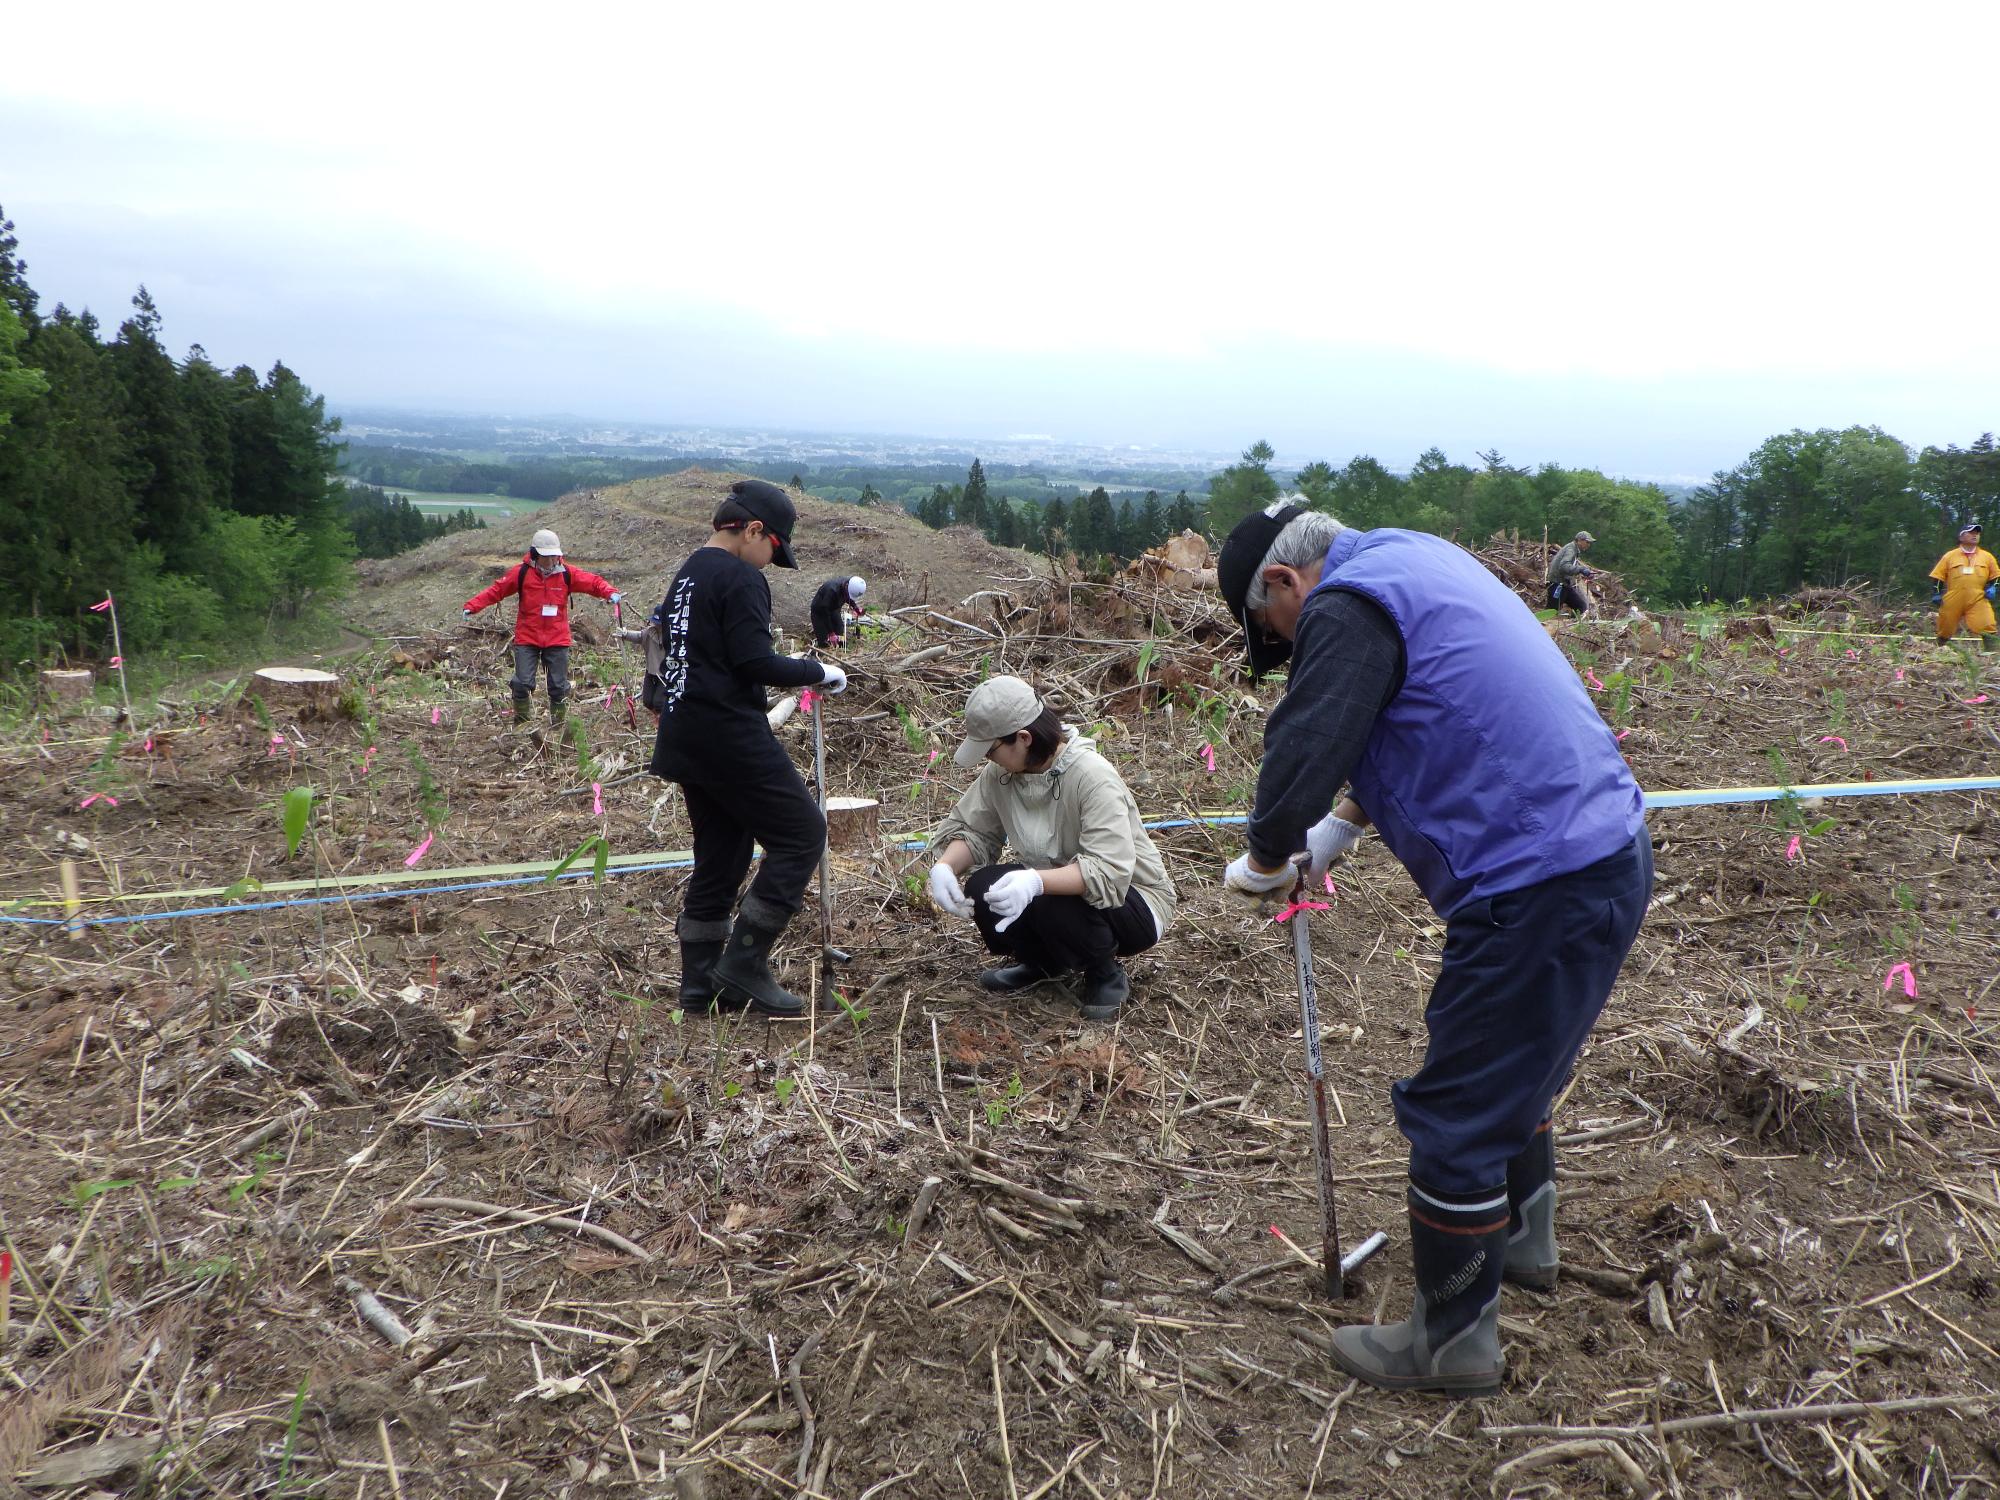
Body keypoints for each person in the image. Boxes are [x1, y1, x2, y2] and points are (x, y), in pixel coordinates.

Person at [1216, 500, 1652, 1396]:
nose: (1287, 648)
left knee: (1455, 1112)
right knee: (1512, 1071)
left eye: (1274, 632)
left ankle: (1451, 1342)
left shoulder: (1344, 607)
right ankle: (1525, 1243)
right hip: (1601, 852)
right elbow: (1440, 710)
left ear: (1285, 583)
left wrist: (1266, 855)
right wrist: (1342, 824)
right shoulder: (1413, 562)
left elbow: (1308, 736)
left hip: (1535, 883)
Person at [651, 480, 849, 1017]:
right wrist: (820, 671)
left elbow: (666, 647)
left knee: (724, 854)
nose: (768, 562)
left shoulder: (689, 571)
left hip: (685, 732)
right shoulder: (739, 576)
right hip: (728, 731)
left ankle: (699, 984)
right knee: (802, 832)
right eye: (772, 550)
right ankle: (743, 964)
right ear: (754, 530)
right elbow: (753, 661)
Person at [926, 676, 1175, 1021]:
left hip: (1133, 901)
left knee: (1044, 896)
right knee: (984, 888)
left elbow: (1108, 871)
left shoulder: (1090, 776)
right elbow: (975, 830)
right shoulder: (1001, 776)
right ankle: (1042, 963)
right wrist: (945, 867)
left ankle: (1104, 971)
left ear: (1023, 739)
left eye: (991, 750)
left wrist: (1035, 882)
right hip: (1060, 887)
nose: (988, 760)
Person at [463, 528, 622, 726]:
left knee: (558, 686)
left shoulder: (567, 574)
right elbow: (497, 590)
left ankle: (558, 725)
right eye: (547, 557)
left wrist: (609, 592)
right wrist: (472, 606)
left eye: (555, 556)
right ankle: (522, 724)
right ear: (535, 554)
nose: (551, 560)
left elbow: (593, 582)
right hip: (527, 637)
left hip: (557, 638)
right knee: (521, 683)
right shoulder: (521, 573)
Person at [1929, 522, 1998, 651]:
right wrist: (1936, 593)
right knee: (1946, 625)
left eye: (1977, 533)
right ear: (1961, 537)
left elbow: (1996, 576)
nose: (1975, 535)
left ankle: (1992, 655)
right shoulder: (1949, 556)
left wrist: (1993, 587)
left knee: (1987, 623)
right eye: (1971, 533)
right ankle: (1940, 649)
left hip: (1978, 597)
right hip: (1954, 596)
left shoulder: (1987, 557)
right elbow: (1938, 576)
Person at [1545, 530, 1596, 616]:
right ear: (1579, 540)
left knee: (1581, 608)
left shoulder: (1574, 549)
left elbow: (1569, 568)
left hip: (1565, 585)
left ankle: (1568, 626)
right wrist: (1581, 569)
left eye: (1589, 543)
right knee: (1550, 612)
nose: (1588, 545)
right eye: (1587, 542)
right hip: (1557, 585)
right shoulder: (1571, 550)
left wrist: (1584, 572)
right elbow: (1564, 566)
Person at [810, 575, 868, 646]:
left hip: (834, 609)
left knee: (840, 633)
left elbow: (848, 597)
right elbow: (825, 612)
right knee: (825, 642)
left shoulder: (852, 583)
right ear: (846, 586)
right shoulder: (831, 590)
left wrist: (855, 607)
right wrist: (831, 633)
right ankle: (824, 647)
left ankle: (841, 649)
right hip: (820, 612)